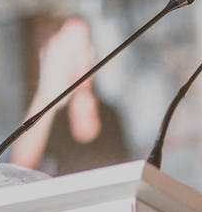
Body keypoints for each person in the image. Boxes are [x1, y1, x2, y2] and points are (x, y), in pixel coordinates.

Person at [11, 17, 129, 175]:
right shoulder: (50, 117)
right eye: (72, 51)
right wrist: (47, 91)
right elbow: (19, 168)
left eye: (86, 46)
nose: (85, 58)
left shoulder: (110, 114)